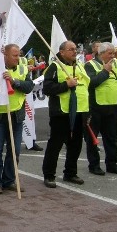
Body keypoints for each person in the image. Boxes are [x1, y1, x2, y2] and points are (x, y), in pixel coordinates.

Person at [41, 41, 90, 188]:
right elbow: (47, 88)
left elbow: (87, 86)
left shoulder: (80, 65)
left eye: (76, 49)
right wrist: (65, 85)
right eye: (71, 49)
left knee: (76, 144)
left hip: (80, 111)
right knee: (55, 144)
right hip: (61, 112)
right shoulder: (55, 67)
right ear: (62, 52)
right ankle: (49, 175)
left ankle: (70, 173)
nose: (75, 52)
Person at [0, 44, 33, 193]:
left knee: (14, 151)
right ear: (5, 56)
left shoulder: (23, 68)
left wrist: (14, 82)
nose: (17, 58)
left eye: (18, 55)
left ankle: (9, 180)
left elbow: (29, 86)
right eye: (14, 55)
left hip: (17, 115)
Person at [84, 42, 117, 175]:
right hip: (95, 108)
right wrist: (105, 72)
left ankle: (112, 164)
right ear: (101, 54)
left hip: (112, 107)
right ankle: (94, 165)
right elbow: (91, 83)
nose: (113, 56)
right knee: (92, 139)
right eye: (110, 53)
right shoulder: (89, 65)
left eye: (113, 53)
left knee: (112, 138)